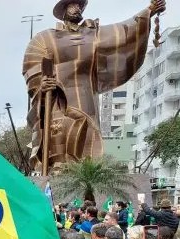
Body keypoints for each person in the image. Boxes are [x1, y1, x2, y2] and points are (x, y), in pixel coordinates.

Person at [23, 0, 163, 171]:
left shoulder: (93, 34)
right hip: (58, 98)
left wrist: (148, 12)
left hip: (87, 95)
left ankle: (86, 169)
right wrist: (42, 84)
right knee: (60, 132)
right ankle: (59, 166)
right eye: (72, 5)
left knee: (88, 135)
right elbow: (33, 64)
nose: (77, 9)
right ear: (63, 10)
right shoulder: (45, 38)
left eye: (79, 6)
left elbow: (122, 32)